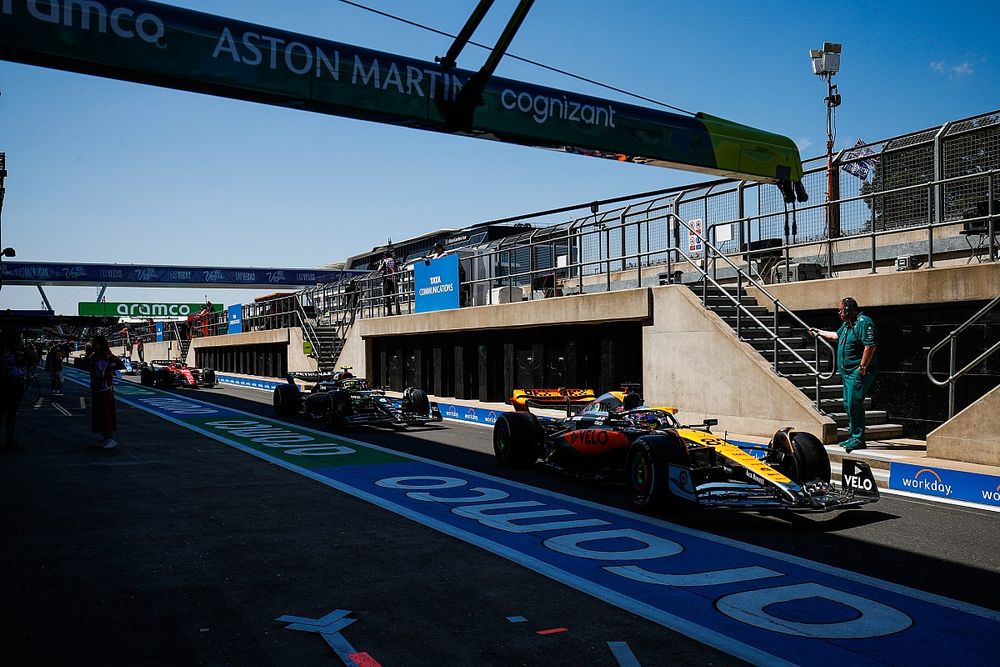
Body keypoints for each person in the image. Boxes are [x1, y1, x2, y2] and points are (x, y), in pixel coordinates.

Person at [809, 297, 878, 452]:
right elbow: (836, 336)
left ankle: (858, 438)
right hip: (847, 372)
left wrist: (862, 366)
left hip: (857, 370)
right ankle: (854, 435)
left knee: (854, 402)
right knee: (848, 403)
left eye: (840, 310)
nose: (839, 313)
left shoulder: (863, 322)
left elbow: (870, 346)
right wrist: (818, 332)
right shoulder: (847, 324)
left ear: (848, 309)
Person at [87, 335, 124, 449]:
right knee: (99, 414)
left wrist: (109, 369)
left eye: (95, 343)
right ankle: (105, 438)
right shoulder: (94, 356)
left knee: (106, 413)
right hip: (96, 388)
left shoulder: (106, 354)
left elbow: (119, 364)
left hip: (105, 388)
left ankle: (110, 438)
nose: (93, 344)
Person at [0, 331, 29, 450]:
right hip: (7, 384)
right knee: (5, 414)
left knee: (11, 413)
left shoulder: (18, 352)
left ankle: (9, 440)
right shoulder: (4, 352)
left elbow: (33, 357)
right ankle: (9, 440)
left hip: (15, 383)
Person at [378, 250, 401, 316]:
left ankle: (389, 312)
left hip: (387, 280)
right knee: (395, 296)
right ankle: (398, 311)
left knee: (387, 296)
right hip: (394, 280)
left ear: (385, 256)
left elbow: (379, 269)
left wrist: (381, 266)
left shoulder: (385, 261)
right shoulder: (393, 260)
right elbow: (397, 267)